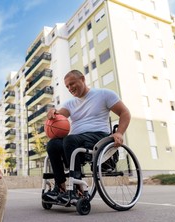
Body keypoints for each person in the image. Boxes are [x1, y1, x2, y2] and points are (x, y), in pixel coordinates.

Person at [42, 69, 131, 204]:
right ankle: (60, 188)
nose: (70, 88)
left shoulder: (104, 94)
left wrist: (119, 132)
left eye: (72, 84)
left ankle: (77, 189)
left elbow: (125, 113)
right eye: (67, 86)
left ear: (82, 79)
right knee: (53, 144)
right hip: (74, 141)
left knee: (69, 140)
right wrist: (52, 113)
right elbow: (58, 118)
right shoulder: (70, 103)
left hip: (98, 137)